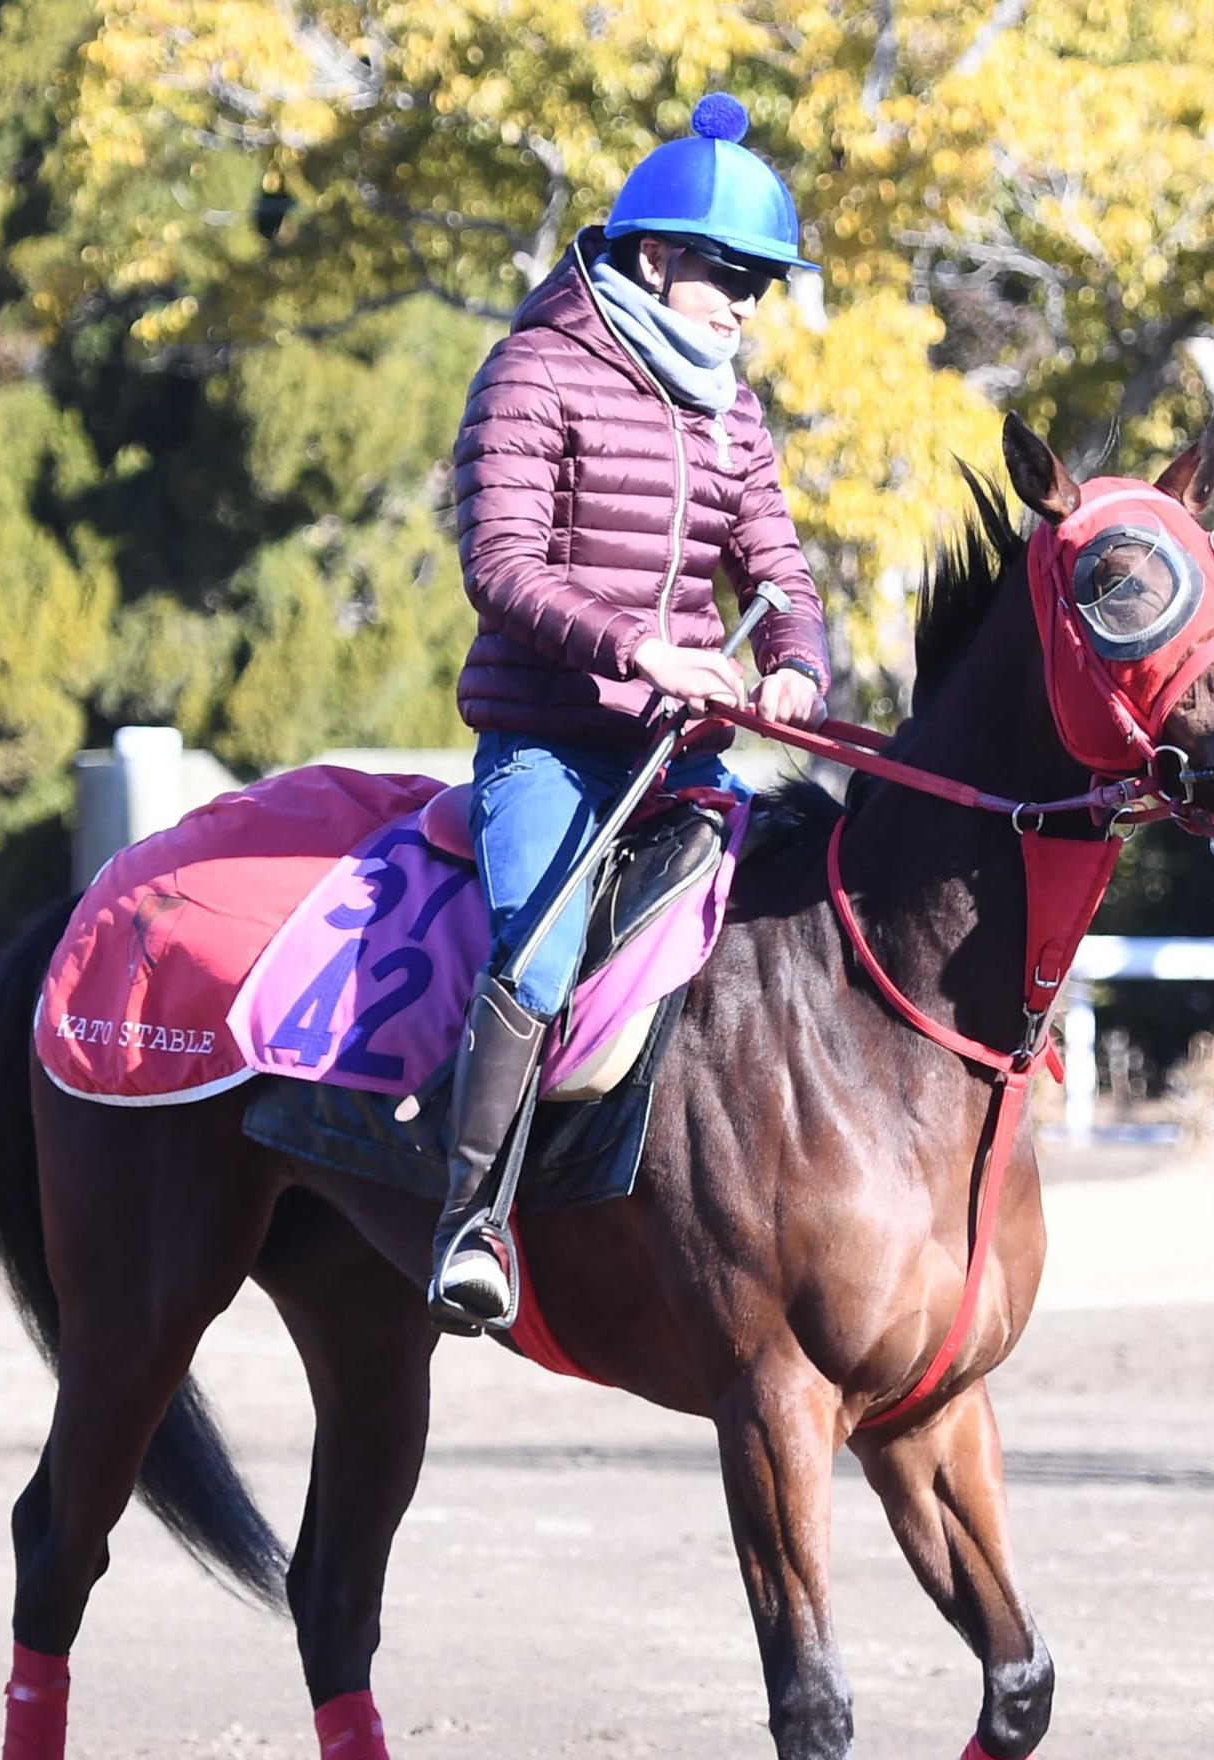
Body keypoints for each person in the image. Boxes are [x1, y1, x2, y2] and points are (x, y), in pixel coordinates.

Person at [431, 91, 831, 1333]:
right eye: (729, 273)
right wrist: (644, 648)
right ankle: (471, 1223)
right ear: (655, 257)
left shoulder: (731, 406)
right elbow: (498, 566)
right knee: (544, 948)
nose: (746, 303)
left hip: (681, 751)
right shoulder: (533, 369)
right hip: (549, 742)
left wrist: (796, 661)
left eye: (763, 281)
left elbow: (776, 568)